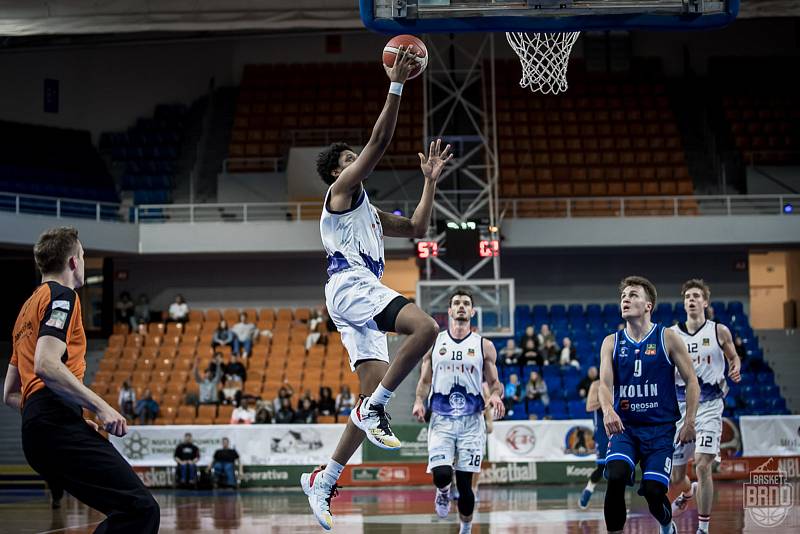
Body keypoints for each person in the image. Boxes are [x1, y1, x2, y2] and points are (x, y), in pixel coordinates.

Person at [300, 47, 451, 532]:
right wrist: (397, 84)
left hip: (355, 294)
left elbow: (419, 228)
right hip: (349, 284)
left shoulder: (370, 210)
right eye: (349, 160)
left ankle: (324, 479)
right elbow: (380, 140)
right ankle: (375, 406)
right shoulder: (340, 194)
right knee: (426, 328)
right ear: (337, 173)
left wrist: (429, 182)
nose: (358, 162)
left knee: (368, 402)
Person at [1, 227, 159, 532]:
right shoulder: (63, 296)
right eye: (84, 256)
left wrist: (67, 414)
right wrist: (100, 407)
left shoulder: (25, 311)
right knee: (141, 508)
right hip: (52, 421)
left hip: (38, 427)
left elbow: (9, 393)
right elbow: (46, 364)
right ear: (74, 261)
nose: (83, 262)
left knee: (129, 509)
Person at [598, 276, 699, 534]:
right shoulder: (612, 342)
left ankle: (667, 524)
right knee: (616, 475)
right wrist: (608, 410)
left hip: (660, 430)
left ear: (648, 305)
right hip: (626, 428)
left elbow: (691, 381)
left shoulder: (667, 338)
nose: (626, 299)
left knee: (654, 493)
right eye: (623, 296)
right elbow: (604, 385)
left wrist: (689, 422)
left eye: (633, 295)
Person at [412, 289, 505, 534]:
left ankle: (465, 528)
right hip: (442, 418)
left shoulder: (484, 345)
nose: (461, 306)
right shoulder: (434, 342)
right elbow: (424, 380)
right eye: (457, 303)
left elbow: (495, 383)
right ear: (450, 311)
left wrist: (495, 395)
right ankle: (442, 492)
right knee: (441, 474)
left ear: (472, 312)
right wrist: (419, 400)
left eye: (466, 303)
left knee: (466, 487)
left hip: (472, 421)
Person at [669, 279, 742, 534]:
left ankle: (703, 528)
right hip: (681, 406)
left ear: (705, 302)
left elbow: (734, 356)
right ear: (684, 302)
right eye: (687, 296)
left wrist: (736, 366)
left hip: (710, 404)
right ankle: (689, 493)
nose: (691, 300)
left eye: (696, 296)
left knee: (702, 464)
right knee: (676, 477)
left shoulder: (719, 331)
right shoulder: (671, 334)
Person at [578, 377, 605, 509]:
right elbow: (589, 406)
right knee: (602, 467)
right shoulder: (597, 384)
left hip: (621, 426)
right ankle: (589, 489)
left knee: (619, 466)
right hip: (603, 429)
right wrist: (607, 402)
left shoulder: (623, 379)